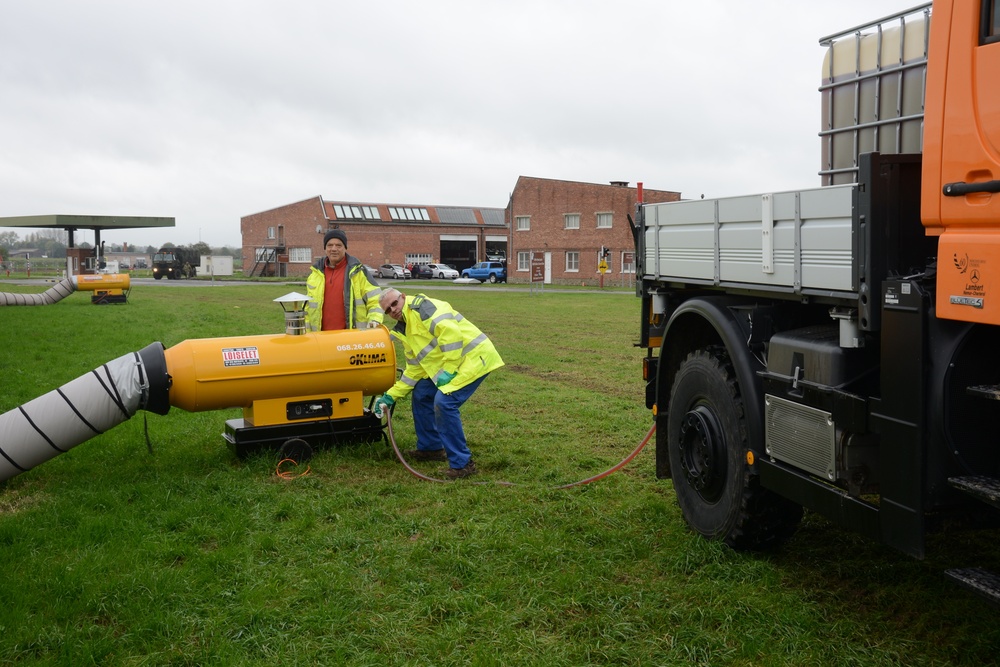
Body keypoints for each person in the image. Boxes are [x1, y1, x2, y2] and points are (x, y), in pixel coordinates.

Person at [373, 288, 503, 478]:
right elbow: (414, 370)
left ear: (403, 297)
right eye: (387, 310)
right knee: (422, 394)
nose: (393, 310)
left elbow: (450, 334)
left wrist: (449, 370)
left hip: (474, 358)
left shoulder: (422, 307)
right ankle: (431, 448)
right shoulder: (404, 329)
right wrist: (390, 396)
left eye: (394, 303)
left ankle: (462, 464)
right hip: (453, 364)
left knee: (444, 403)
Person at [305, 229, 384, 331]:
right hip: (321, 340)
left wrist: (375, 319)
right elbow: (307, 308)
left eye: (338, 245)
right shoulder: (315, 274)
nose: (334, 249)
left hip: (351, 339)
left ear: (345, 248)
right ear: (325, 248)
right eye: (330, 245)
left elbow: (376, 299)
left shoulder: (358, 272)